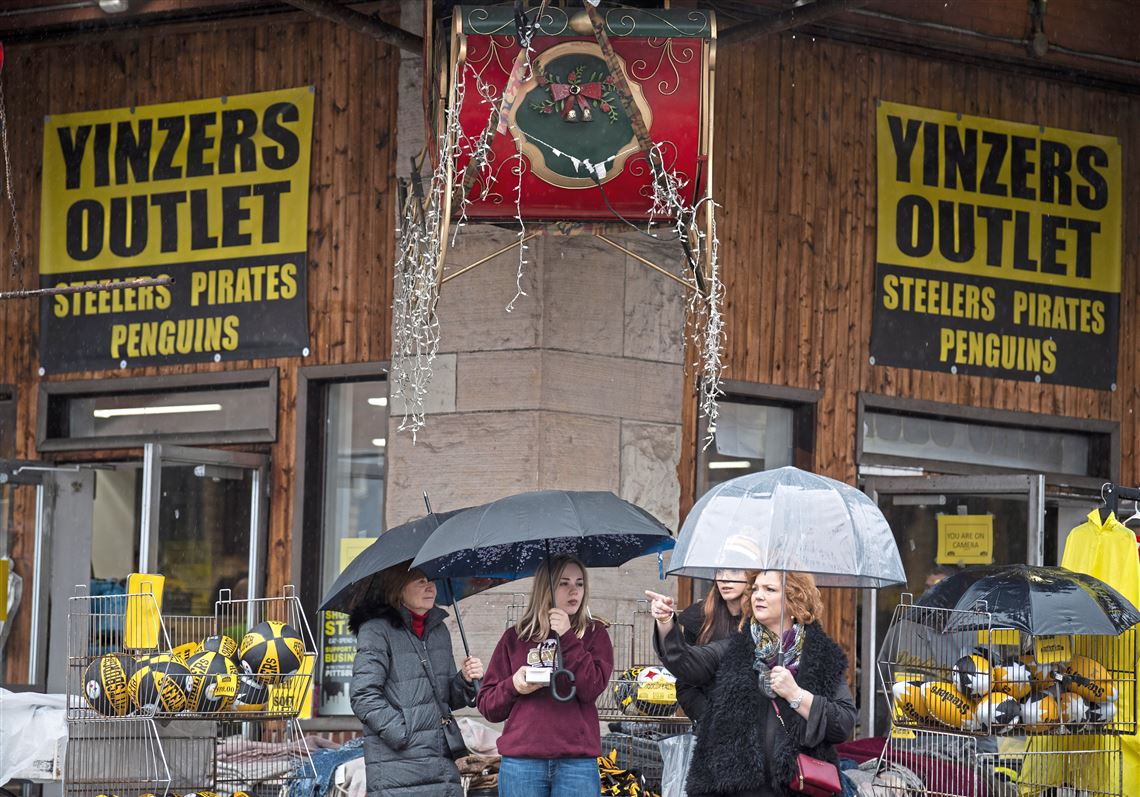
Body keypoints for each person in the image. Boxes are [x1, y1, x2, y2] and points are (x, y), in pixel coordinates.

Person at [646, 571, 856, 797]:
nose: (758, 595)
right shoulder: (736, 648)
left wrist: (796, 694)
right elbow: (688, 664)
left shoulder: (821, 656)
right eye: (755, 588)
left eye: (770, 589)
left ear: (794, 599)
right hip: (737, 788)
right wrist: (666, 622)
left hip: (797, 786)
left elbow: (843, 722)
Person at [477, 555, 614, 797]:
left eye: (580, 583)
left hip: (577, 762)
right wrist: (514, 685)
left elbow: (591, 688)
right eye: (564, 583)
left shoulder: (594, 633)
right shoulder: (516, 637)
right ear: (545, 588)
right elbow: (488, 706)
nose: (574, 590)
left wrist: (568, 636)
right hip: (522, 762)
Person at [350, 565, 485, 797]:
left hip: (441, 764)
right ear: (398, 588)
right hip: (398, 767)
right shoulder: (376, 630)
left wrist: (464, 679)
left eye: (431, 580)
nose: (430, 587)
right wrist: (404, 733)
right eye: (420, 581)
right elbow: (363, 695)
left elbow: (446, 698)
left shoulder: (438, 630)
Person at [674, 569, 755, 725]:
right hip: (710, 726)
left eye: (734, 570)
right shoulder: (700, 618)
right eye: (719, 571)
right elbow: (686, 684)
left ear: (750, 574)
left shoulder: (765, 618)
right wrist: (710, 720)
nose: (724, 578)